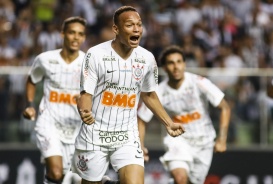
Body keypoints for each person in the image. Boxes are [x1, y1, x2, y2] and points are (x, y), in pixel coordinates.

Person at [71, 6, 185, 184]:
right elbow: (86, 93)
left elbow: (149, 95)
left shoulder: (147, 59)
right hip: (95, 135)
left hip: (127, 136)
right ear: (116, 29)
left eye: (139, 25)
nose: (136, 29)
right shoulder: (95, 54)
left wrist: (168, 123)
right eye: (130, 25)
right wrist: (85, 110)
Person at [137, 45, 231, 184]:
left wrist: (222, 139)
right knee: (180, 178)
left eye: (179, 62)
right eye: (171, 63)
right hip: (178, 141)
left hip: (203, 142)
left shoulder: (199, 82)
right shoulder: (158, 92)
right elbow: (141, 119)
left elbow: (225, 107)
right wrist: (140, 146)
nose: (176, 67)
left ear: (184, 64)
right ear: (164, 67)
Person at [23, 16, 87, 184]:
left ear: (84, 38)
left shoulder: (89, 64)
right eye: (72, 32)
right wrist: (30, 105)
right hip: (49, 122)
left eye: (80, 34)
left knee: (72, 178)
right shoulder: (45, 59)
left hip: (76, 129)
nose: (76, 37)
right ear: (62, 34)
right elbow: (32, 80)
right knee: (56, 172)